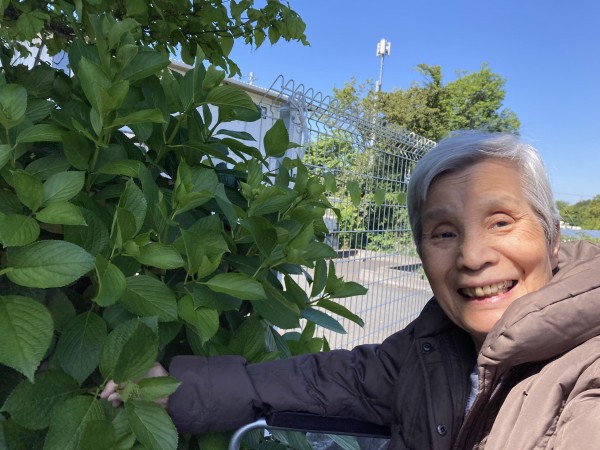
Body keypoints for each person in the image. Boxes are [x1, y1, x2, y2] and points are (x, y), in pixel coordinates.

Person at [102, 131, 600, 449]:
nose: (472, 256)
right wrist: (173, 387)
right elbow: (330, 380)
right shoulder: (431, 348)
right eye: (444, 233)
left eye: (501, 222)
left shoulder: (589, 374)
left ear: (553, 237)